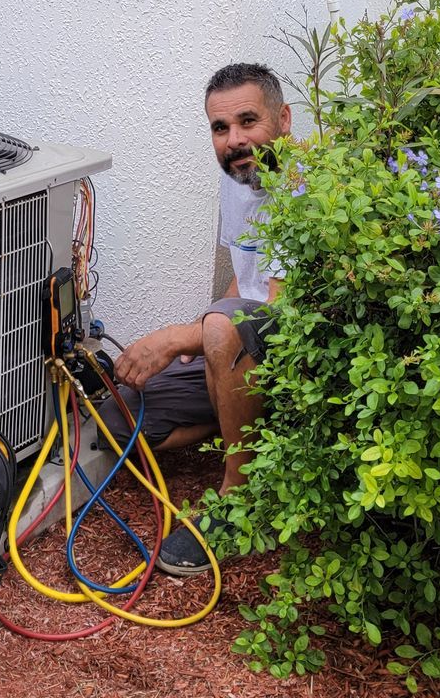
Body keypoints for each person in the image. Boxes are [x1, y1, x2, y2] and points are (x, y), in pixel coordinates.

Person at [100, 61, 291, 577]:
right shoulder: (239, 180)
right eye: (220, 128)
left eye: (248, 121)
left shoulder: (302, 190)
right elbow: (241, 286)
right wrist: (206, 344)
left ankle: (240, 498)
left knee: (221, 328)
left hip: (295, 366)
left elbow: (283, 313)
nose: (234, 139)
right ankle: (245, 420)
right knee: (117, 422)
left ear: (285, 120)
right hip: (246, 349)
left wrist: (187, 335)